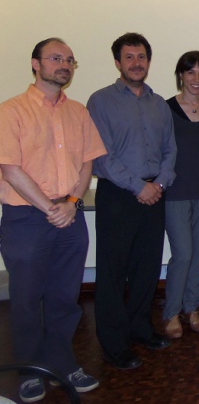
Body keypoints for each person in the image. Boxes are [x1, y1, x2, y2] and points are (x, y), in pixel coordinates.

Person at [0, 38, 105, 403]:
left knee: (65, 296)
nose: (64, 65)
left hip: (71, 215)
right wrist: (50, 207)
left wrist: (72, 202)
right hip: (26, 218)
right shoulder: (11, 111)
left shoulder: (78, 112)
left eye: (69, 60)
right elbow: (10, 169)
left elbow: (87, 161)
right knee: (27, 299)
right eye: (56, 58)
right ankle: (30, 370)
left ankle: (62, 363)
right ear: (35, 63)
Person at [87, 32, 177, 370]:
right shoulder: (101, 101)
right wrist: (139, 187)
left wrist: (160, 183)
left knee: (147, 268)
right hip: (119, 195)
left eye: (141, 57)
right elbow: (101, 156)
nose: (136, 63)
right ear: (117, 62)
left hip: (156, 194)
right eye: (129, 57)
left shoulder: (159, 104)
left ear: (148, 61)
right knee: (113, 271)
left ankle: (140, 328)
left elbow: (170, 150)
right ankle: (113, 343)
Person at [163, 51, 199, 339]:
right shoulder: (165, 109)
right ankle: (171, 312)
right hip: (175, 192)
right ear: (181, 75)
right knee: (183, 254)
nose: (196, 78)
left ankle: (192, 307)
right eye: (191, 72)